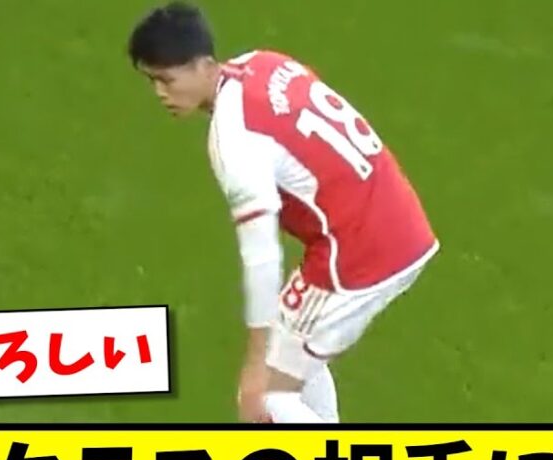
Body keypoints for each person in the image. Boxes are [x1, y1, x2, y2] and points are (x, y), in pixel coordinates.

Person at [127, 2, 439, 423]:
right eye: (152, 81)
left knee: (269, 393)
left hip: (358, 251)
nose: (160, 93)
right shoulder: (265, 63)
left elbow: (261, 255)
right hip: (395, 216)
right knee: (292, 350)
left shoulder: (234, 141)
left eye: (167, 79)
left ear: (204, 65)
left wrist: (254, 368)